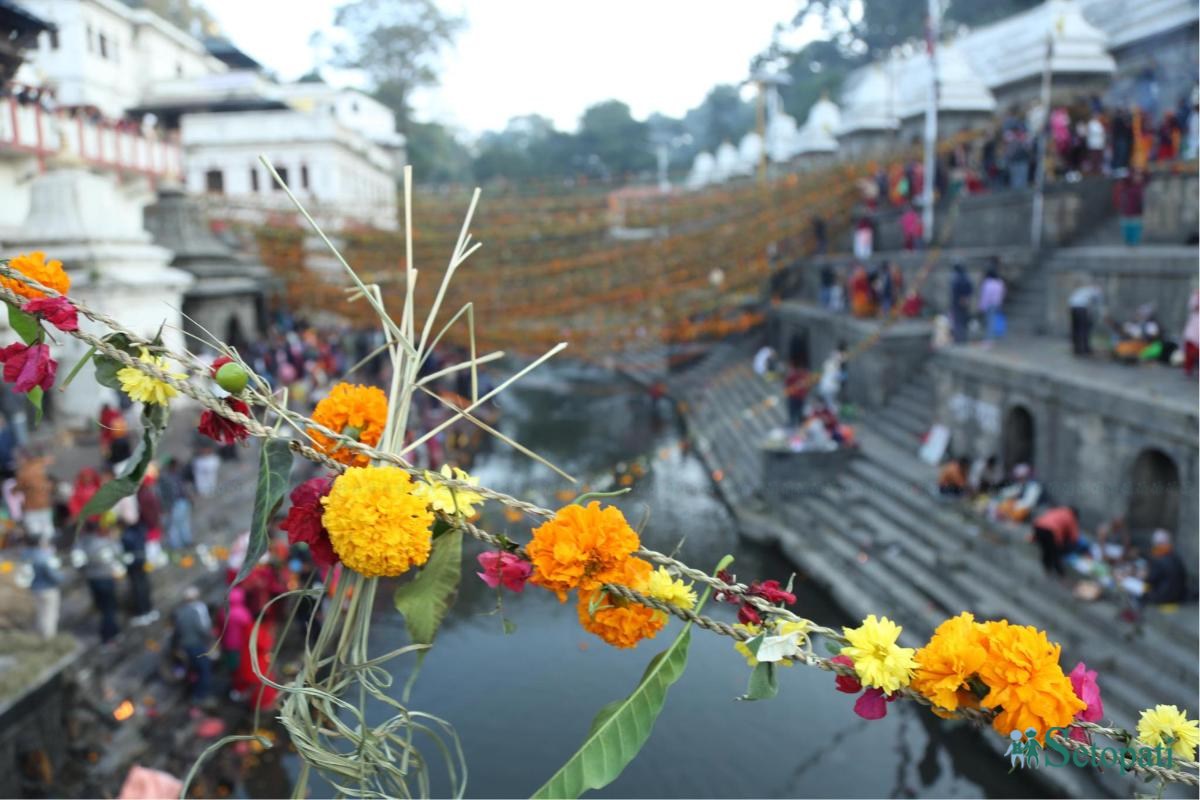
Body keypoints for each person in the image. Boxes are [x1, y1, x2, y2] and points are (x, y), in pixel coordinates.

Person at [172, 587, 214, 705]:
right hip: (197, 645)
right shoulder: (195, 612)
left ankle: (195, 693)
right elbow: (202, 629)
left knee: (193, 670)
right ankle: (200, 696)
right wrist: (210, 639)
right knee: (204, 670)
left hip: (185, 646)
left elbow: (177, 632)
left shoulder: (179, 612)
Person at [81, 524, 121, 642]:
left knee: (103, 608)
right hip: (105, 578)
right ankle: (110, 635)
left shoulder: (83, 543)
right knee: (109, 608)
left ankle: (111, 632)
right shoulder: (105, 542)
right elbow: (118, 553)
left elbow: (79, 562)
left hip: (92, 579)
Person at [24, 532, 63, 639]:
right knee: (50, 614)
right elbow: (52, 574)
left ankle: (39, 636)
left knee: (40, 614)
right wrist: (62, 578)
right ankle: (48, 639)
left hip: (33, 588)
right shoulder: (43, 556)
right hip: (48, 588)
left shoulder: (25, 554)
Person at [15, 448, 55, 545]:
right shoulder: (39, 465)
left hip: (31, 506)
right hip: (45, 504)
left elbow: (19, 487)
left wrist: (14, 490)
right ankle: (50, 548)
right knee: (48, 528)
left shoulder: (24, 471)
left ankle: (42, 549)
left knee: (35, 530)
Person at [1031, 506, 1080, 578]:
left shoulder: (1058, 510)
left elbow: (1044, 518)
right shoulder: (1071, 517)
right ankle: (1060, 574)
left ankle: (1048, 569)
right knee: (1055, 553)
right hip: (1051, 532)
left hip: (1038, 527)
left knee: (1047, 550)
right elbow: (1074, 537)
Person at [222, 587, 254, 696]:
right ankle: (241, 689)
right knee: (241, 668)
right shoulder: (242, 612)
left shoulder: (224, 612)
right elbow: (249, 628)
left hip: (227, 644)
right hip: (240, 645)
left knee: (232, 668)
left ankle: (235, 688)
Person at [1143, 530, 1187, 605]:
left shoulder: (1159, 558)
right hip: (1179, 596)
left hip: (1162, 597)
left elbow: (1150, 579)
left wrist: (1142, 575)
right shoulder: (1176, 557)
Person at [158, 457, 194, 550]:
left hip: (183, 502)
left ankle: (187, 541)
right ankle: (176, 545)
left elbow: (184, 488)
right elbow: (165, 494)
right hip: (175, 503)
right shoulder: (165, 478)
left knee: (184, 523)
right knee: (174, 525)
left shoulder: (178, 475)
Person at [1068, 283, 1103, 356]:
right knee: (1083, 329)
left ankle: (1076, 349)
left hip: (1073, 308)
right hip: (1081, 309)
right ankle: (1084, 349)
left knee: (1076, 329)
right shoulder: (1095, 291)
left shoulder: (1084, 290)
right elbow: (1098, 304)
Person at [1117, 170, 1146, 246]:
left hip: (1137, 213)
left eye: (1140, 176)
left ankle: (1134, 244)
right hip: (1127, 212)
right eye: (1136, 176)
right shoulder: (1127, 186)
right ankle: (1129, 244)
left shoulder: (1141, 187)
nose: (1139, 178)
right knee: (1127, 231)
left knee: (1136, 231)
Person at [978, 265, 1006, 341]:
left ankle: (988, 339)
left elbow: (985, 296)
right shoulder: (1000, 282)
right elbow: (1002, 294)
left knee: (989, 323)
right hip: (997, 304)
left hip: (989, 305)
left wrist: (981, 306)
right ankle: (992, 337)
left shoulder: (988, 283)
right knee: (993, 322)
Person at [949, 264, 973, 344]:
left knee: (958, 321)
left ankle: (959, 339)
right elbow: (971, 289)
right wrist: (966, 298)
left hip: (957, 302)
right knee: (964, 320)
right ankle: (964, 338)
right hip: (966, 301)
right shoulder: (967, 278)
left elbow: (954, 291)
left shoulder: (956, 279)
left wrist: (960, 298)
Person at [783, 359, 810, 428]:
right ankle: (792, 423)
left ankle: (800, 424)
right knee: (792, 411)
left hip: (801, 397)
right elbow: (787, 383)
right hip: (793, 396)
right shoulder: (793, 375)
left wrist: (805, 391)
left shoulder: (805, 375)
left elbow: (808, 386)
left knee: (800, 411)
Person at [818, 345, 845, 411]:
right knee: (830, 405)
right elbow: (838, 377)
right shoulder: (835, 367)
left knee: (827, 404)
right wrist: (843, 376)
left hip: (825, 387)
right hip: (830, 388)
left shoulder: (827, 363)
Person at [1182, 289, 1199, 378]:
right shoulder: (1196, 294)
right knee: (1190, 350)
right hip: (1194, 326)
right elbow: (1193, 306)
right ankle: (1188, 369)